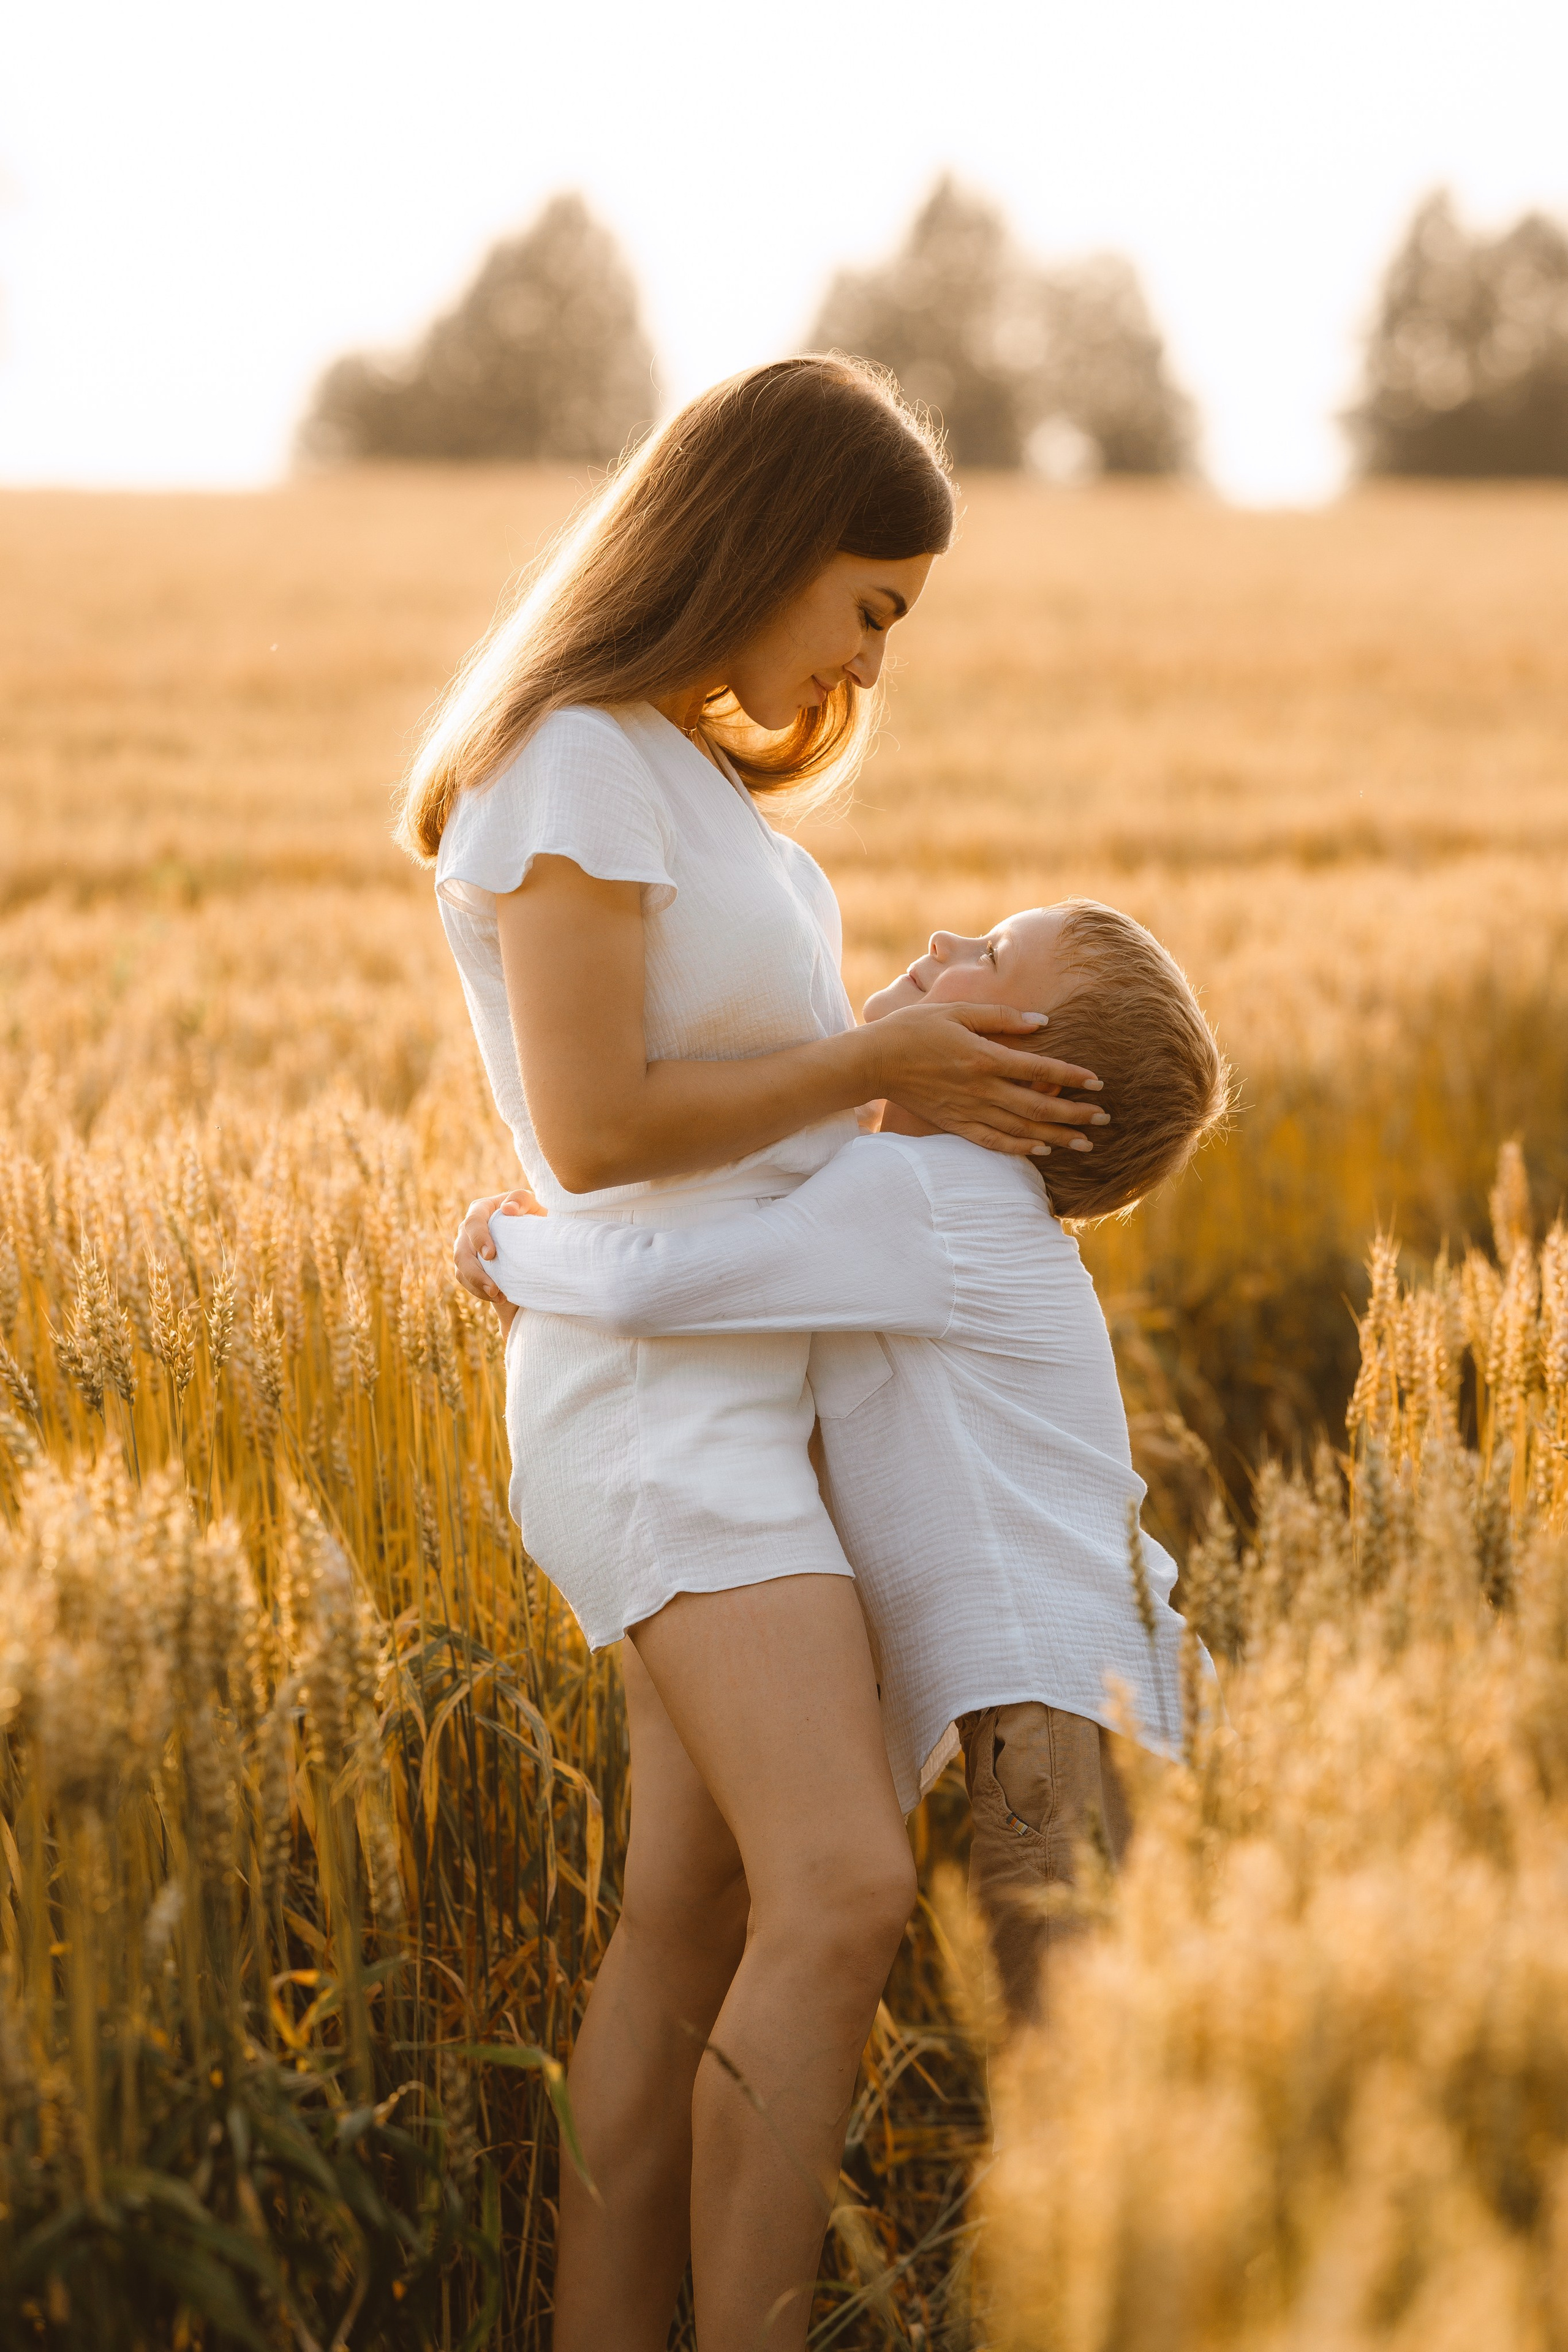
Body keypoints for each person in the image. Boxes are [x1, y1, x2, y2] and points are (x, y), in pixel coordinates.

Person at [405, 355, 1109, 2352]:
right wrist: (878, 1055)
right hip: (655, 1404)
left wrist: (896, 1059)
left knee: (693, 1922)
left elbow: (758, 1103)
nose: (874, 661)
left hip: (745, 1382)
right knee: (843, 1894)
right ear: (766, 537)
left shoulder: (683, 790)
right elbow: (606, 1126)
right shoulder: (570, 766)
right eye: (872, 603)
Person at [479, 898, 1229, 2035]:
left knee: (1084, 2106)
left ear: (1032, 1092)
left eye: (988, 958)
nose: (941, 944)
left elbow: (656, 1288)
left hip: (1069, 1725)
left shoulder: (927, 1199)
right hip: (1103, 1710)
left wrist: (505, 1246)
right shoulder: (953, 1205)